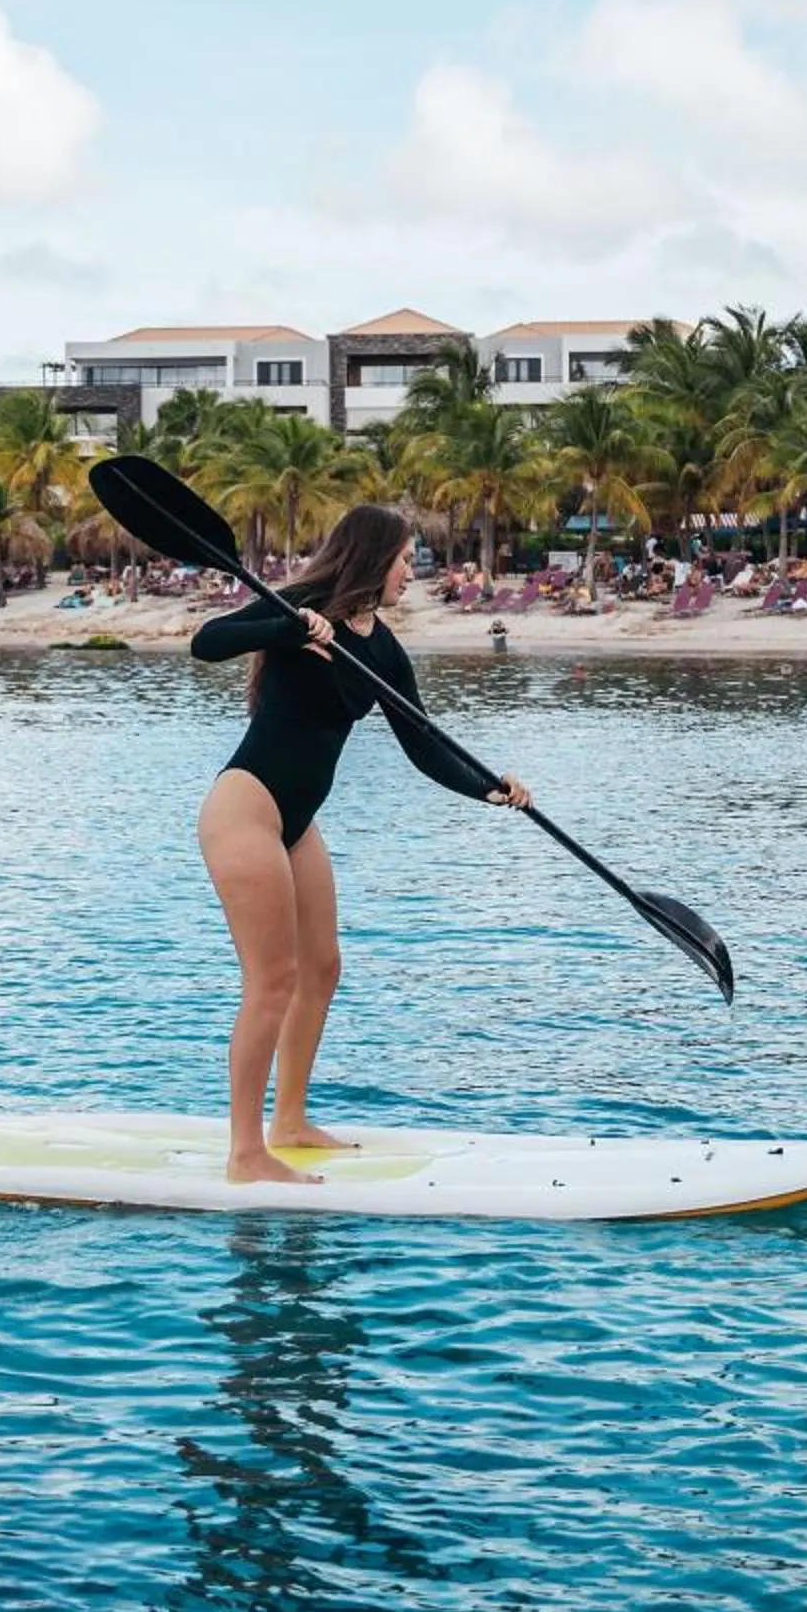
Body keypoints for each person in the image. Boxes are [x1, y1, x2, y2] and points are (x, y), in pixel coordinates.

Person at [190, 504, 530, 1185]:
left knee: (322, 969)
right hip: (246, 809)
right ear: (374, 559)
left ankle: (289, 1123)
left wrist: (489, 788)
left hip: (297, 822)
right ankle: (245, 1153)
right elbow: (207, 642)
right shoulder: (300, 604)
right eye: (407, 558)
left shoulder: (381, 648)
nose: (414, 569)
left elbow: (423, 743)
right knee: (272, 981)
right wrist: (287, 630)